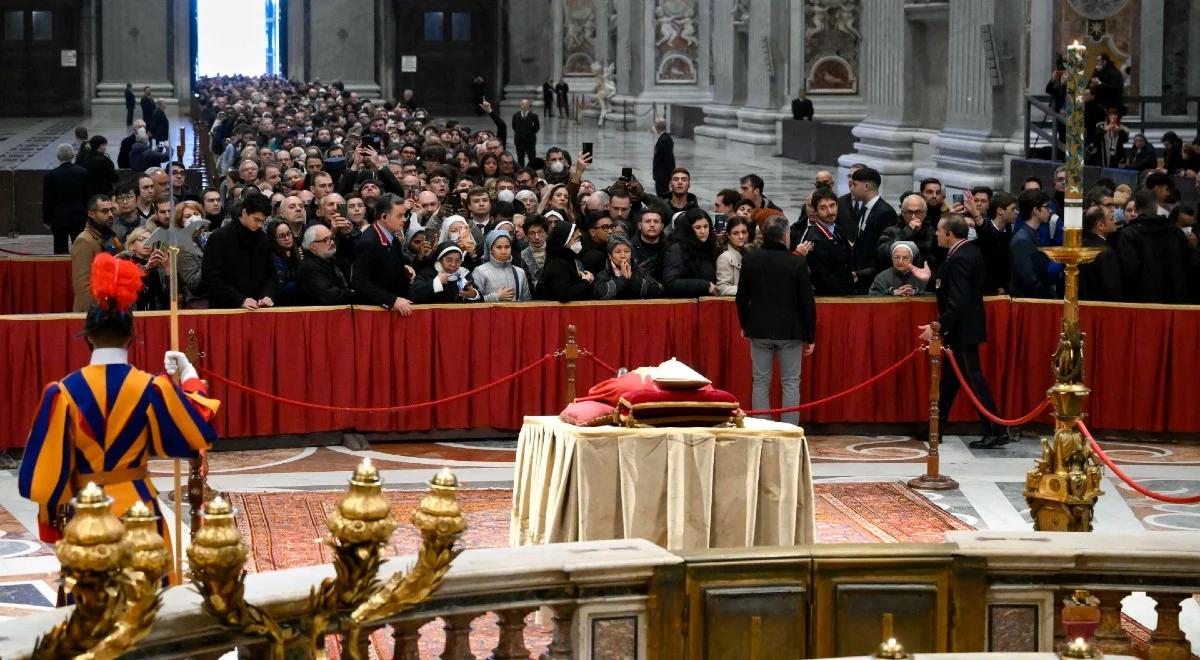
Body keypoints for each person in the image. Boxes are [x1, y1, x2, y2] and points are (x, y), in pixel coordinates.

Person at [19, 253, 217, 570]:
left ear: (88, 338)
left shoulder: (62, 394)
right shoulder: (152, 388)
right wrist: (190, 376)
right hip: (141, 512)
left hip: (87, 517)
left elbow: (39, 481)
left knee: (90, 606)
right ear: (131, 338)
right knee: (152, 604)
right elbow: (197, 434)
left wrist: (54, 520)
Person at [916, 213, 1007, 449]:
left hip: (963, 330)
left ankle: (996, 430)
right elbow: (950, 287)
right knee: (950, 381)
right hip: (962, 328)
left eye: (938, 229)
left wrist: (937, 327)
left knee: (973, 379)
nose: (936, 233)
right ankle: (936, 426)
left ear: (949, 233)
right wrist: (930, 278)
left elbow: (958, 300)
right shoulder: (963, 253)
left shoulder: (960, 258)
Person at [736, 215, 817, 426]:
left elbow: (742, 297)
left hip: (759, 329)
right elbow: (807, 302)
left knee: (761, 382)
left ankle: (763, 427)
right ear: (785, 236)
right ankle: (789, 429)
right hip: (791, 332)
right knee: (790, 382)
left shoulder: (750, 259)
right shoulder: (796, 262)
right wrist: (810, 335)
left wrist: (744, 324)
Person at [201, 191, 277, 309]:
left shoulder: (263, 239)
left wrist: (267, 295)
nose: (260, 225)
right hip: (226, 308)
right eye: (256, 220)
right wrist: (239, 299)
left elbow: (271, 274)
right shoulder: (219, 238)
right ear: (244, 212)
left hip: (258, 307)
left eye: (263, 221)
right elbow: (211, 277)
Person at [1114, 190, 1191, 304]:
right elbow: (1188, 263)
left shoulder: (1127, 234)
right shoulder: (1175, 232)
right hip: (1174, 301)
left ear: (1136, 207)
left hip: (1140, 302)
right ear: (1156, 207)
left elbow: (1128, 269)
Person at [352, 194, 415, 315]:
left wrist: (402, 268)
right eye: (400, 216)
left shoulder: (392, 235)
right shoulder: (368, 242)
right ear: (384, 217)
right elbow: (361, 282)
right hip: (375, 312)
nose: (404, 219)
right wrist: (392, 300)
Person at [848, 166, 897, 292]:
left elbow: (884, 252)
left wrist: (863, 274)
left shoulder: (885, 212)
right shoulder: (864, 209)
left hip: (874, 281)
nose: (851, 188)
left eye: (854, 184)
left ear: (866, 186)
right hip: (859, 278)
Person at [800, 187, 855, 295]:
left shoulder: (837, 230)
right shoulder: (815, 239)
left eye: (832, 205)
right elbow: (824, 279)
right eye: (823, 208)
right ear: (815, 211)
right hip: (833, 299)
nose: (830, 212)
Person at [71, 195, 120, 312]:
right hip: (94, 313)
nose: (110, 215)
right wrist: (95, 315)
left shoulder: (109, 237)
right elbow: (83, 287)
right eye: (104, 211)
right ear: (91, 214)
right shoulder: (84, 241)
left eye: (111, 210)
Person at [1009, 189, 1054, 298]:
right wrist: (1047, 297)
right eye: (1046, 207)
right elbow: (1029, 279)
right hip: (1027, 304)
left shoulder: (1032, 234)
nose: (1050, 211)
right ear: (1035, 210)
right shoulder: (1022, 240)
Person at [663, 209, 718, 297]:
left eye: (706, 226)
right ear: (688, 229)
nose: (703, 231)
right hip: (684, 306)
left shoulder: (709, 248)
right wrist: (704, 286)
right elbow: (670, 283)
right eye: (698, 227)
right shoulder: (676, 249)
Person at [534, 221, 593, 302]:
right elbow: (564, 295)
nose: (579, 243)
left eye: (579, 239)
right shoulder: (556, 264)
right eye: (576, 239)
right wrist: (585, 282)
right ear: (564, 241)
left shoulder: (571, 258)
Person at [593, 233, 663, 299]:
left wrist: (632, 279)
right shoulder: (603, 275)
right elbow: (599, 294)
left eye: (626, 251)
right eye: (617, 252)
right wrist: (623, 279)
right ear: (610, 256)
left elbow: (659, 289)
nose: (623, 256)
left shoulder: (640, 272)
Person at [297, 224, 353, 305]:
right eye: (325, 240)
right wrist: (356, 296)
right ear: (313, 246)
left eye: (331, 238)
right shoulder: (309, 268)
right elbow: (331, 296)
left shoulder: (330, 259)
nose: (332, 242)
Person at [471, 230, 532, 302]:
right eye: (499, 247)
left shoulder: (520, 272)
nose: (503, 251)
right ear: (490, 250)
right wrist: (496, 297)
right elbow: (475, 301)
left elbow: (527, 302)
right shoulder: (480, 271)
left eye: (507, 247)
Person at [411, 243, 482, 303]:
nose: (453, 264)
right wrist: (437, 282)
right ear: (440, 259)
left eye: (457, 261)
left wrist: (474, 295)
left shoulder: (463, 274)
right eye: (449, 260)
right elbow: (414, 295)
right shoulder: (427, 273)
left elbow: (480, 301)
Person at [267, 219, 302, 306]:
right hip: (281, 305)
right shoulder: (272, 259)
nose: (287, 238)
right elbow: (280, 288)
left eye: (289, 233)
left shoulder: (299, 252)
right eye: (282, 236)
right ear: (274, 239)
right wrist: (304, 282)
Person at [715, 215, 750, 295]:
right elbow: (722, 289)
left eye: (744, 232)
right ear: (728, 235)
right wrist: (749, 289)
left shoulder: (749, 253)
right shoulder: (724, 257)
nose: (741, 237)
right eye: (736, 233)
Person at [520, 213, 550, 291]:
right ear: (526, 236)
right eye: (532, 233)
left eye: (540, 232)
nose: (536, 237)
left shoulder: (554, 252)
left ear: (546, 233)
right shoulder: (522, 256)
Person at [512, 99, 540, 167]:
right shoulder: (516, 115)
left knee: (531, 157)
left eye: (526, 104)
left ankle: (531, 170)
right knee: (520, 157)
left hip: (530, 141)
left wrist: (531, 133)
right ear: (520, 105)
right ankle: (521, 170)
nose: (524, 106)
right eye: (523, 104)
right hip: (519, 140)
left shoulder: (534, 116)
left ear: (528, 105)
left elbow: (537, 127)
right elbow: (514, 126)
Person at [652, 116, 675, 198]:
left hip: (662, 176)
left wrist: (670, 175)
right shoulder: (663, 138)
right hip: (661, 175)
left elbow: (667, 160)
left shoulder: (664, 140)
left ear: (657, 127)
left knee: (662, 195)